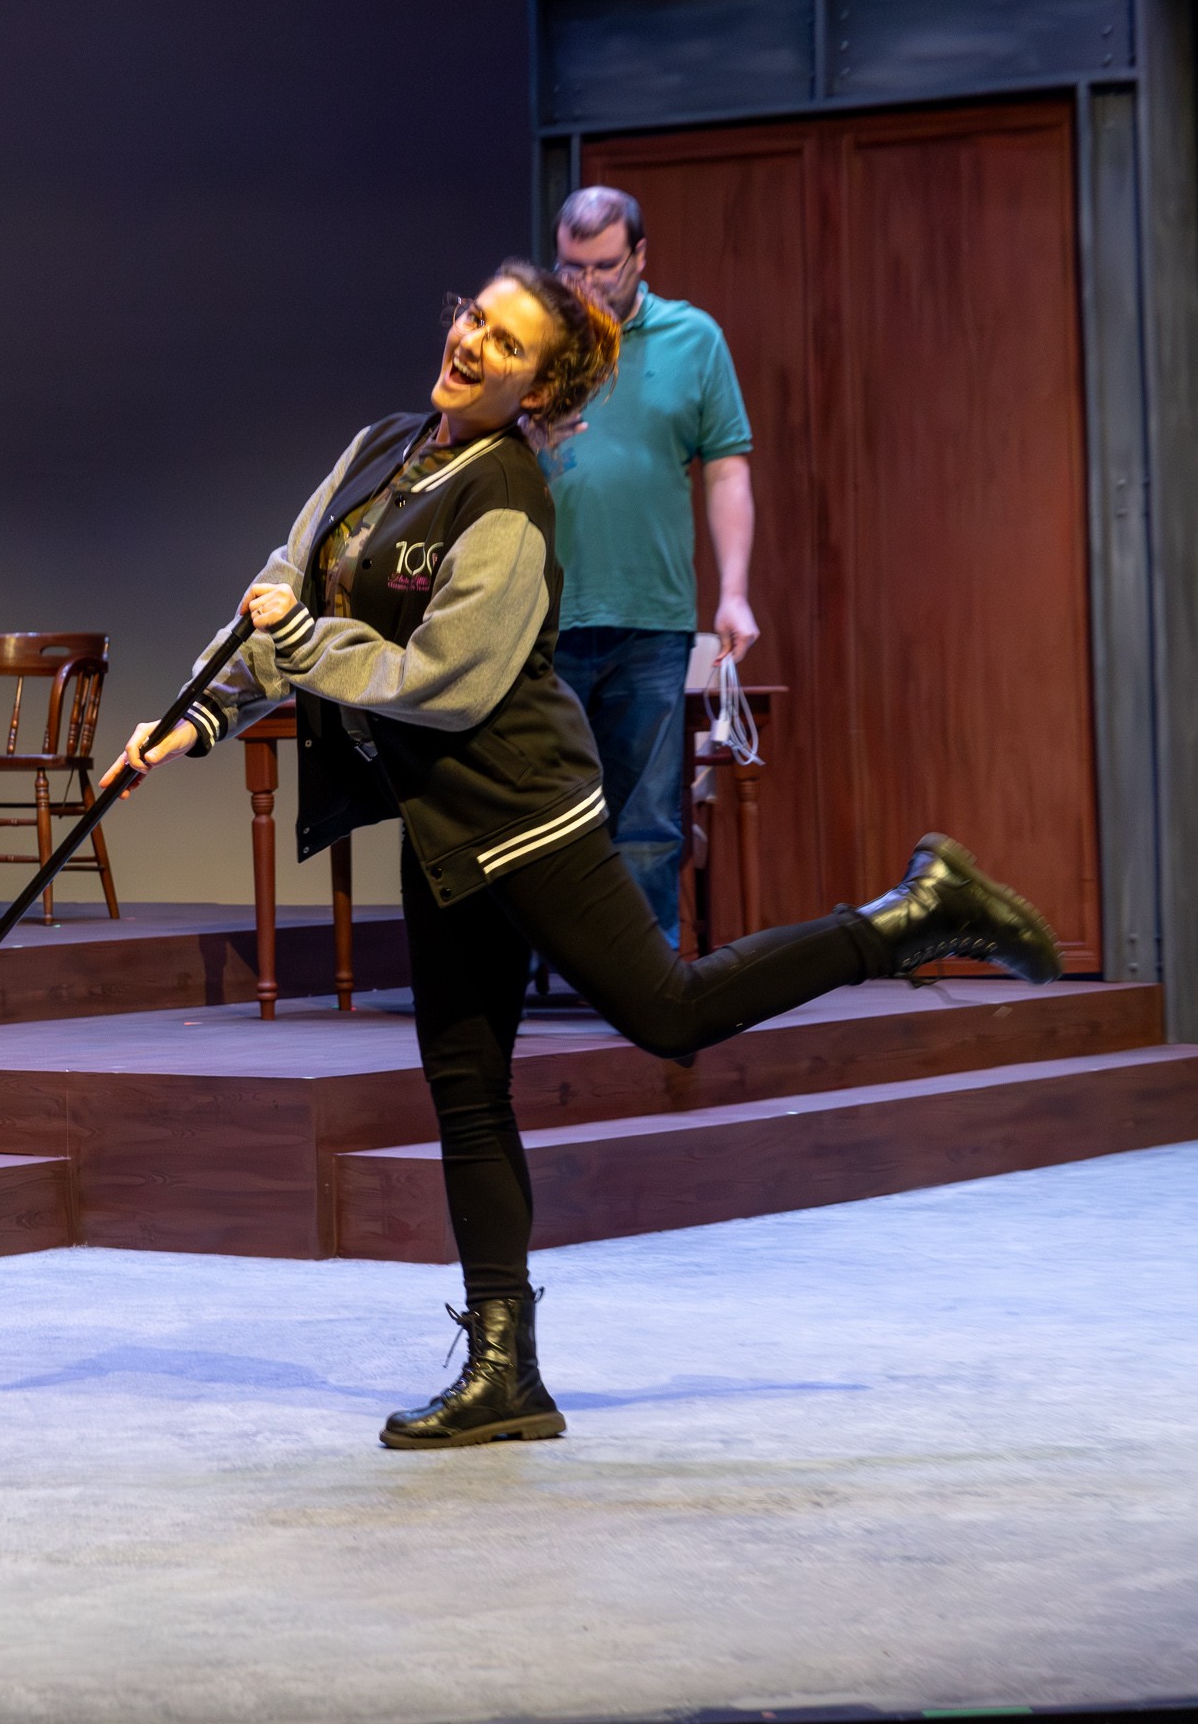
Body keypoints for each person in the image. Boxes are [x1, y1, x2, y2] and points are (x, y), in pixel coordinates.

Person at [102, 260, 1060, 1453]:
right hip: (442, 825)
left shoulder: (509, 496)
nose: (473, 346)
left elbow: (441, 686)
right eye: (473, 320)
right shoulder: (378, 448)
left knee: (667, 1013)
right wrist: (190, 717)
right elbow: (277, 596)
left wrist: (300, 640)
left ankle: (913, 915)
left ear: (539, 391)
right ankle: (506, 1372)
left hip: (522, 811)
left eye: (506, 347)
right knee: (465, 1088)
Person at [548, 185, 755, 941]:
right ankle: (547, 976)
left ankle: (644, 990)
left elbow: (726, 467)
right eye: (571, 267)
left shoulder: (692, 338)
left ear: (639, 257)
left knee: (643, 824)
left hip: (650, 618)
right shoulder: (535, 335)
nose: (587, 284)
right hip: (543, 618)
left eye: (604, 266)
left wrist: (733, 594)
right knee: (544, 818)